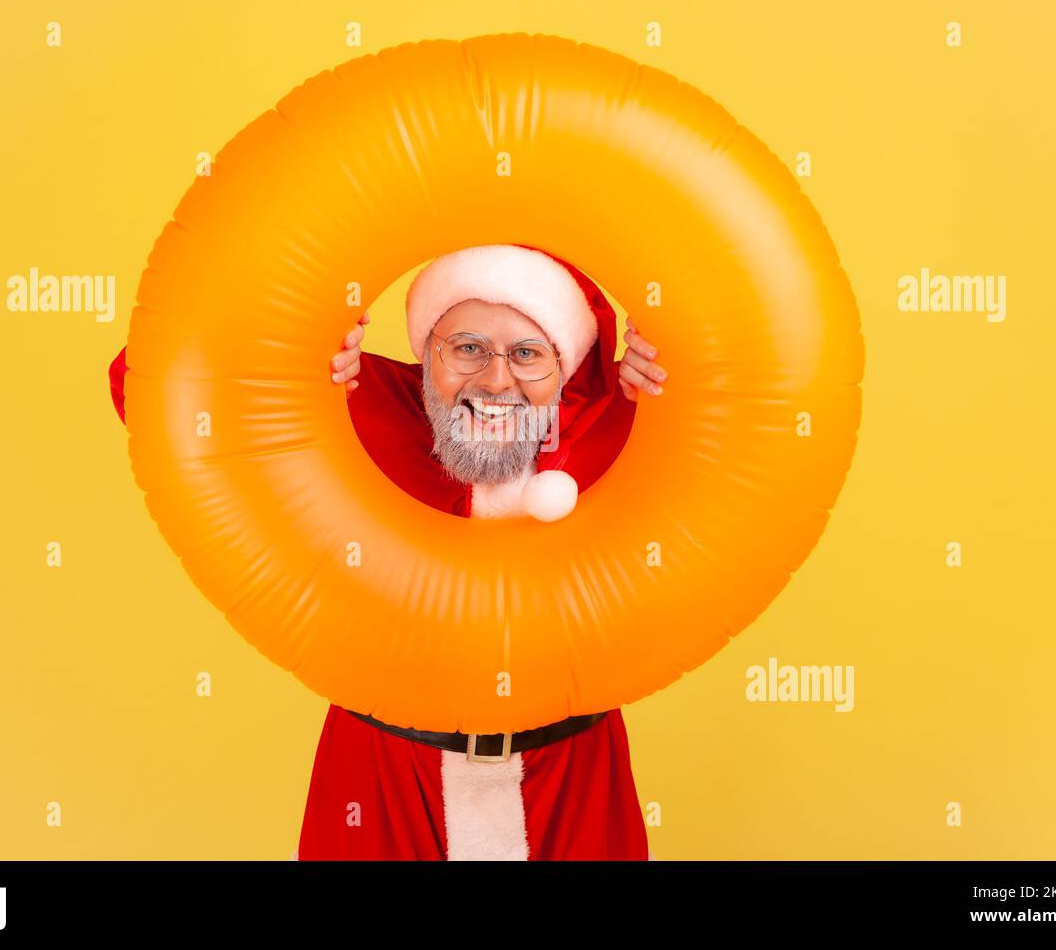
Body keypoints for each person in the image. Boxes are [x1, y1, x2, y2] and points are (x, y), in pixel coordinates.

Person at [107, 243, 670, 859]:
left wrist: (675, 369)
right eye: (467, 347)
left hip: (570, 770)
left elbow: (750, 406)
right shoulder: (361, 401)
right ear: (427, 354)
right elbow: (142, 373)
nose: (495, 379)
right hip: (385, 769)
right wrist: (288, 345)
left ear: (566, 370)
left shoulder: (620, 418)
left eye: (528, 354)